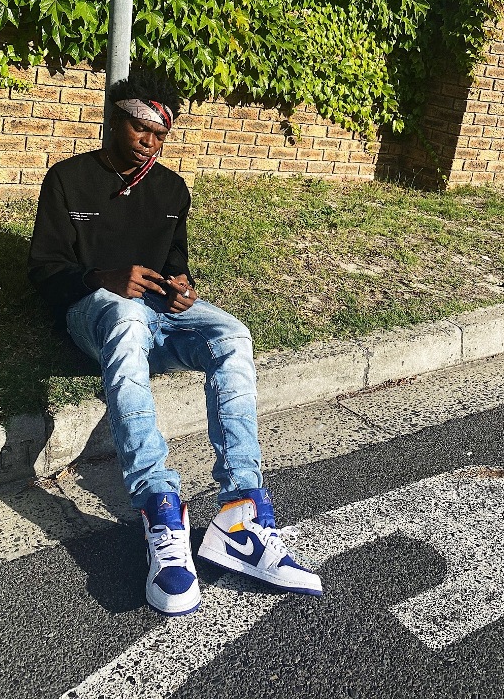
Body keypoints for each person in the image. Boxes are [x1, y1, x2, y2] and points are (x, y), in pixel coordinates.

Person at [28, 67, 322, 616]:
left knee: (231, 334)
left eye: (160, 134)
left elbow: (174, 262)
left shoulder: (171, 190)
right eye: (140, 128)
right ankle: (160, 508)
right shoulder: (68, 179)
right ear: (115, 120)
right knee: (127, 317)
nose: (149, 142)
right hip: (96, 315)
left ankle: (240, 514)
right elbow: (44, 270)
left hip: (159, 315)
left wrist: (182, 287)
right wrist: (102, 277)